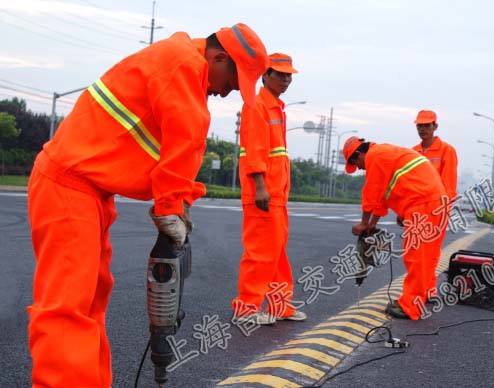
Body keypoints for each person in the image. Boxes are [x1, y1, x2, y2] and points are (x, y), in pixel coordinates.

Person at [27, 23, 268, 388]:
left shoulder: (181, 67)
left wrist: (179, 202)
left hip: (90, 193)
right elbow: (187, 137)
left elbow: (179, 146)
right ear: (218, 57)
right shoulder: (182, 64)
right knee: (66, 309)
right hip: (68, 189)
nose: (229, 92)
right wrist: (171, 205)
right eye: (233, 83)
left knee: (90, 303)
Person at [232, 53, 306, 325]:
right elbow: (255, 150)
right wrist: (260, 187)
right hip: (262, 193)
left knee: (276, 253)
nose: (286, 79)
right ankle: (246, 309)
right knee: (260, 253)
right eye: (280, 74)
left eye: (289, 75)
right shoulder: (257, 105)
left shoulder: (275, 106)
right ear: (265, 75)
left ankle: (279, 305)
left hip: (276, 194)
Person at [343, 136, 447, 320]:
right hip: (432, 202)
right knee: (426, 256)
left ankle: (409, 306)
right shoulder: (385, 153)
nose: (359, 168)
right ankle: (420, 297)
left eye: (356, 163)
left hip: (423, 204)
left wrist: (364, 223)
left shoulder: (374, 156)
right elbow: (382, 199)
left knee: (416, 256)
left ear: (359, 154)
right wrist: (373, 225)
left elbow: (371, 194)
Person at [411, 109, 457, 300]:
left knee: (430, 253)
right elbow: (409, 184)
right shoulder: (413, 152)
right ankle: (419, 290)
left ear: (435, 126)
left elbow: (449, 185)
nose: (423, 129)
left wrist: (443, 211)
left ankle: (428, 290)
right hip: (416, 211)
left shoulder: (447, 151)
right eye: (420, 125)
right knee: (414, 253)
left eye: (427, 125)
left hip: (437, 210)